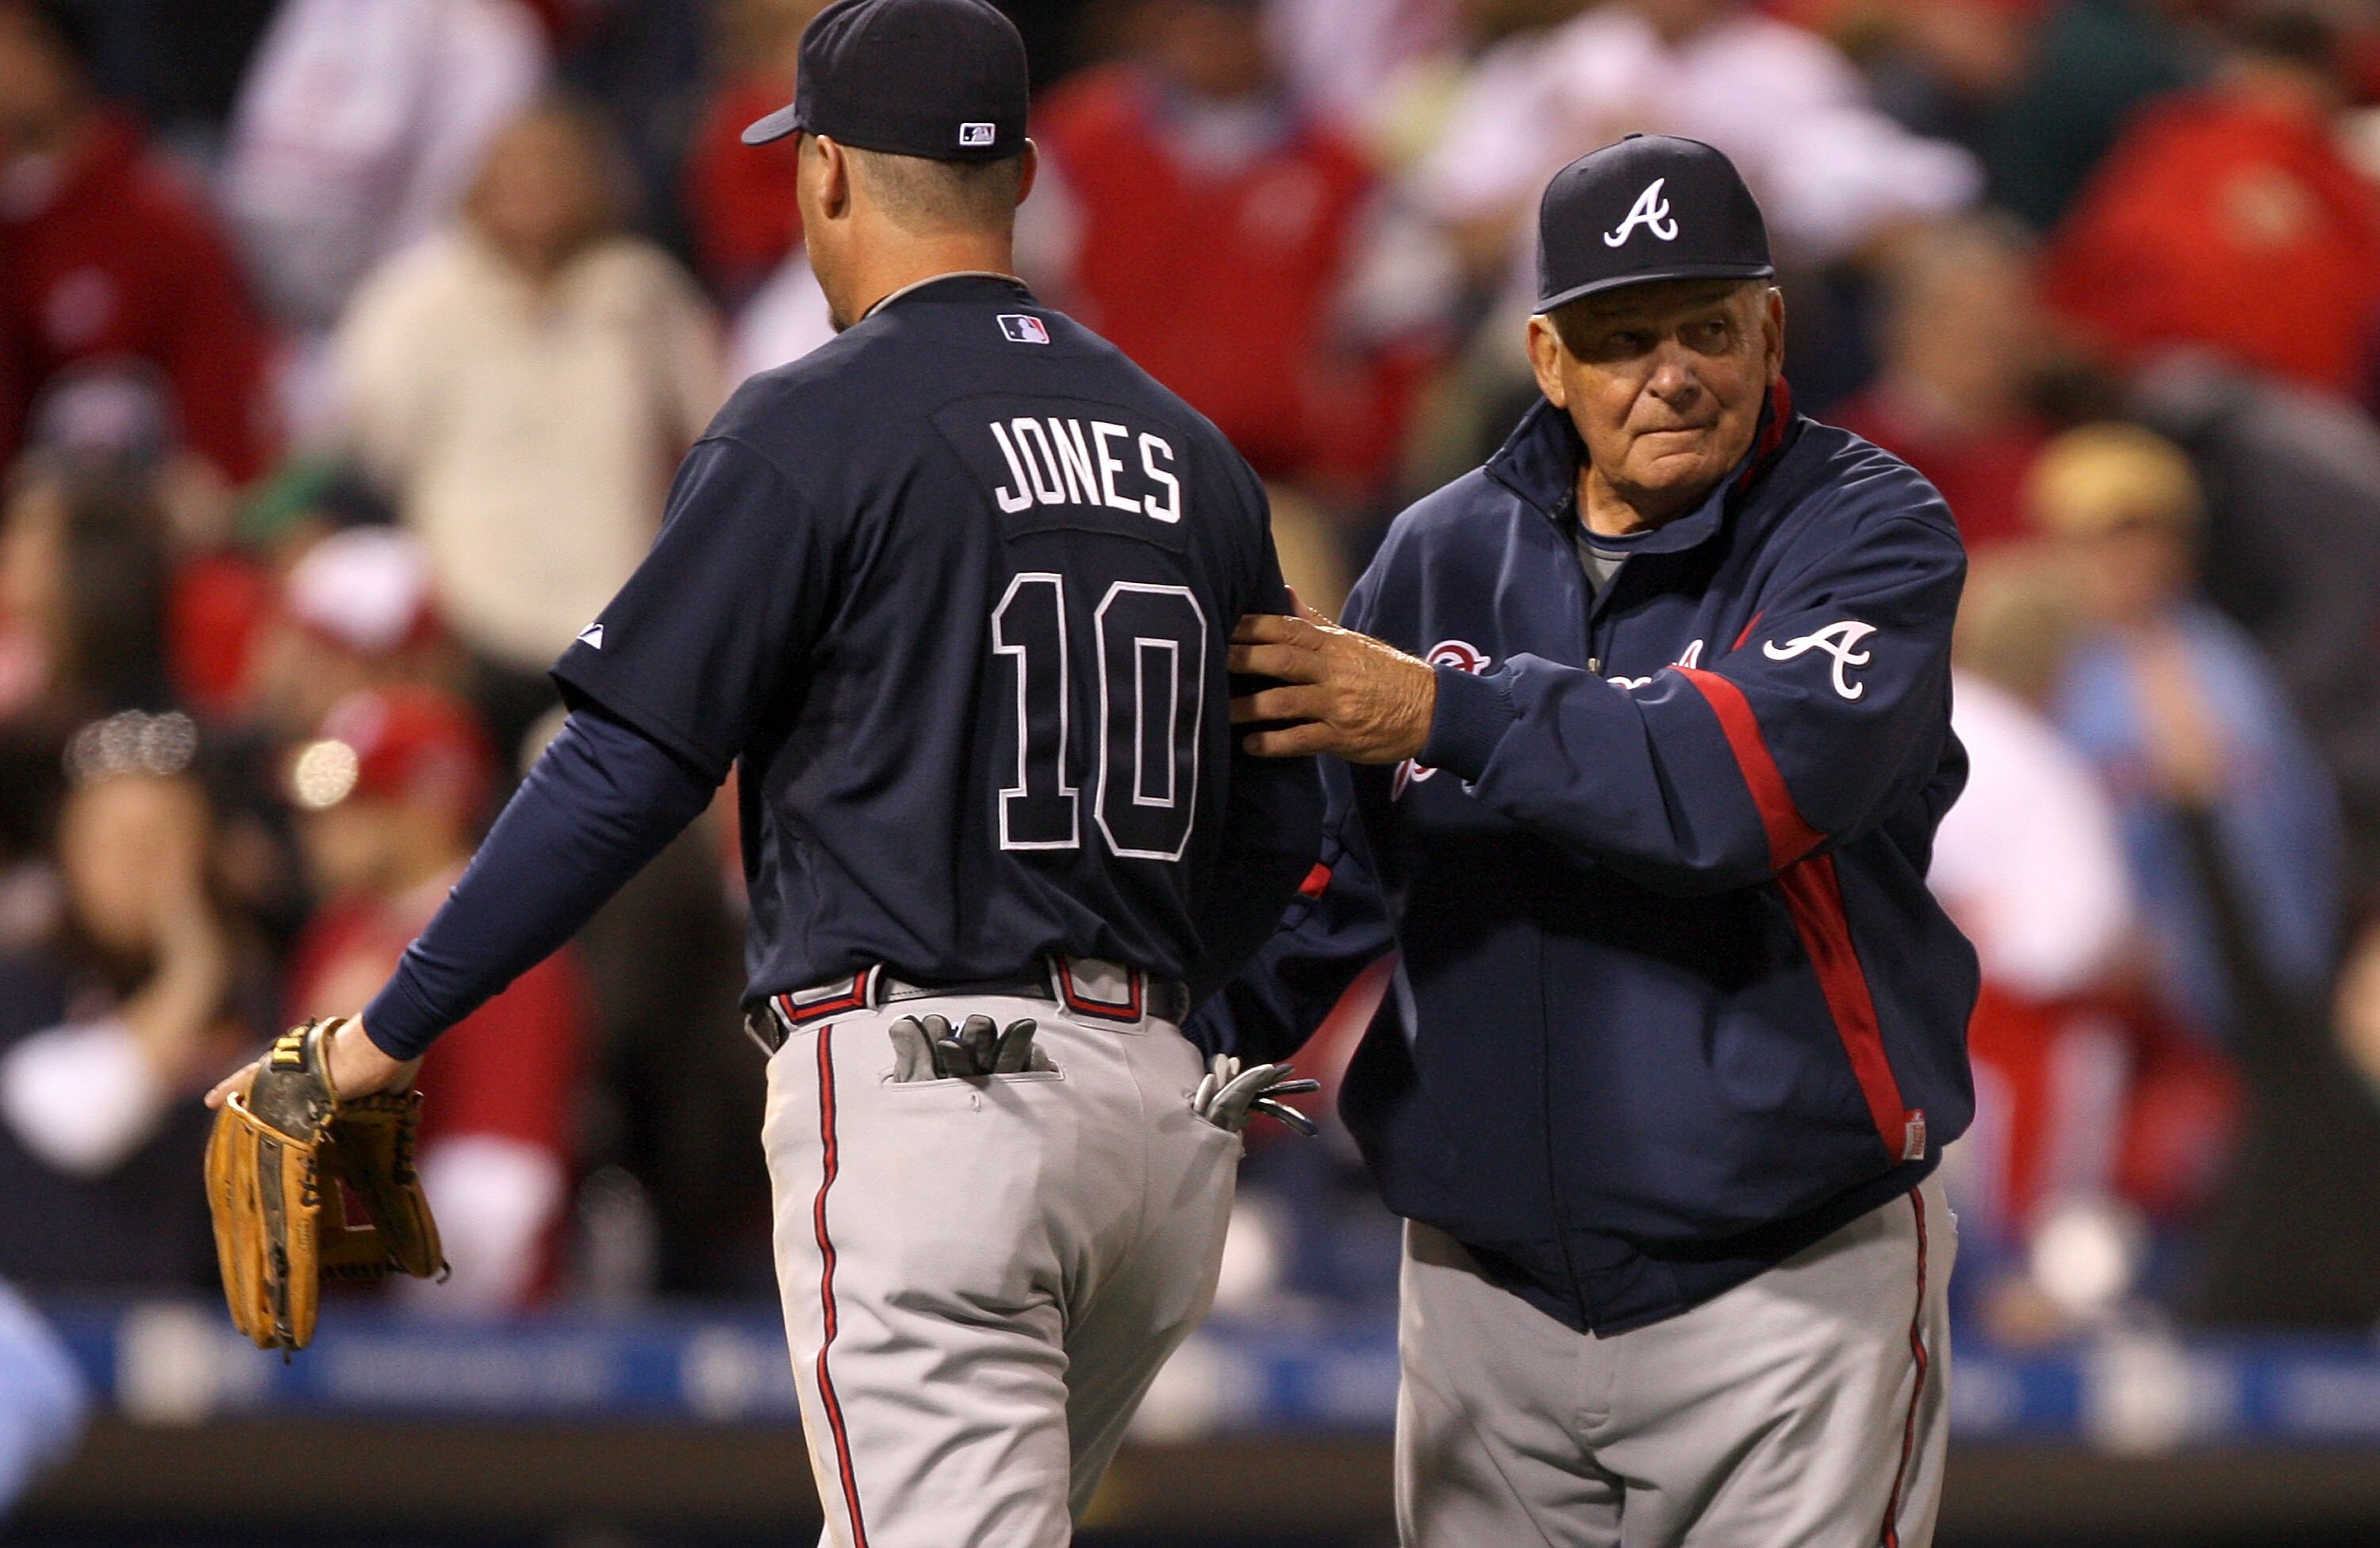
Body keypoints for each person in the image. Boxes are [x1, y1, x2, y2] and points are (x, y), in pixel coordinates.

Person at [210, 3, 1322, 1545]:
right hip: (1152, 1120)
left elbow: (621, 770)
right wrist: (1145, 1038)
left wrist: (385, 1032)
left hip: (939, 1100)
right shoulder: (1190, 453)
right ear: (1019, 180)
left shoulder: (816, 422)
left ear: (828, 177)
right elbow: (1288, 814)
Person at [1197, 134, 1975, 1546]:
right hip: (1481, 1301)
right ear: (1548, 360)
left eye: (1707, 328)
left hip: (1789, 1293)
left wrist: (1447, 704)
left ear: (1773, 327)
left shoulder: (1869, 532)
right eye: (1623, 339)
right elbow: (1331, 884)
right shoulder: (1439, 553)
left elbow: (1732, 790)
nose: (1672, 372)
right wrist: (1172, 1062)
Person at [330, 94, 724, 757]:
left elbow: (715, 437)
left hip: (617, 626)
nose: (535, 188)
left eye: (556, 168)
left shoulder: (643, 291)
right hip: (469, 628)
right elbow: (367, 460)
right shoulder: (414, 301)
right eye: (516, 167)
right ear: (477, 179)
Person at [284, 686, 584, 1311]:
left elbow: (499, 1202)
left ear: (430, 804)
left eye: (359, 802)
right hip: (339, 1305)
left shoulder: (508, 944)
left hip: (475, 1339)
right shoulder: (339, 932)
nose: (322, 827)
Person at [0, 0, 276, 484]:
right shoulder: (16, 226)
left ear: (52, 52)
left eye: (8, 38)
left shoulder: (157, 221)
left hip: (129, 523)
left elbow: (222, 428)